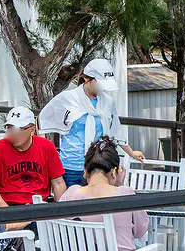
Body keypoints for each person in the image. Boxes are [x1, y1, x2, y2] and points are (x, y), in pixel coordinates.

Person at [58, 136, 151, 251]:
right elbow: (140, 231)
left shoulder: (71, 193)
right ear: (114, 172)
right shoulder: (125, 194)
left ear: (85, 171)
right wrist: (118, 185)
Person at [39, 58, 145, 188]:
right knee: (70, 200)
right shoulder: (67, 98)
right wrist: (47, 153)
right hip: (71, 166)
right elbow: (42, 122)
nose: (103, 88)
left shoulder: (107, 102)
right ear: (87, 78)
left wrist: (131, 152)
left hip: (98, 166)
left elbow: (115, 130)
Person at [0, 106, 66, 207]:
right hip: (8, 204)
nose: (12, 133)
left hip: (39, 204)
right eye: (9, 128)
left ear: (32, 130)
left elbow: (58, 183)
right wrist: (6, 211)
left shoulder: (46, 147)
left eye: (17, 129)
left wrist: (61, 211)